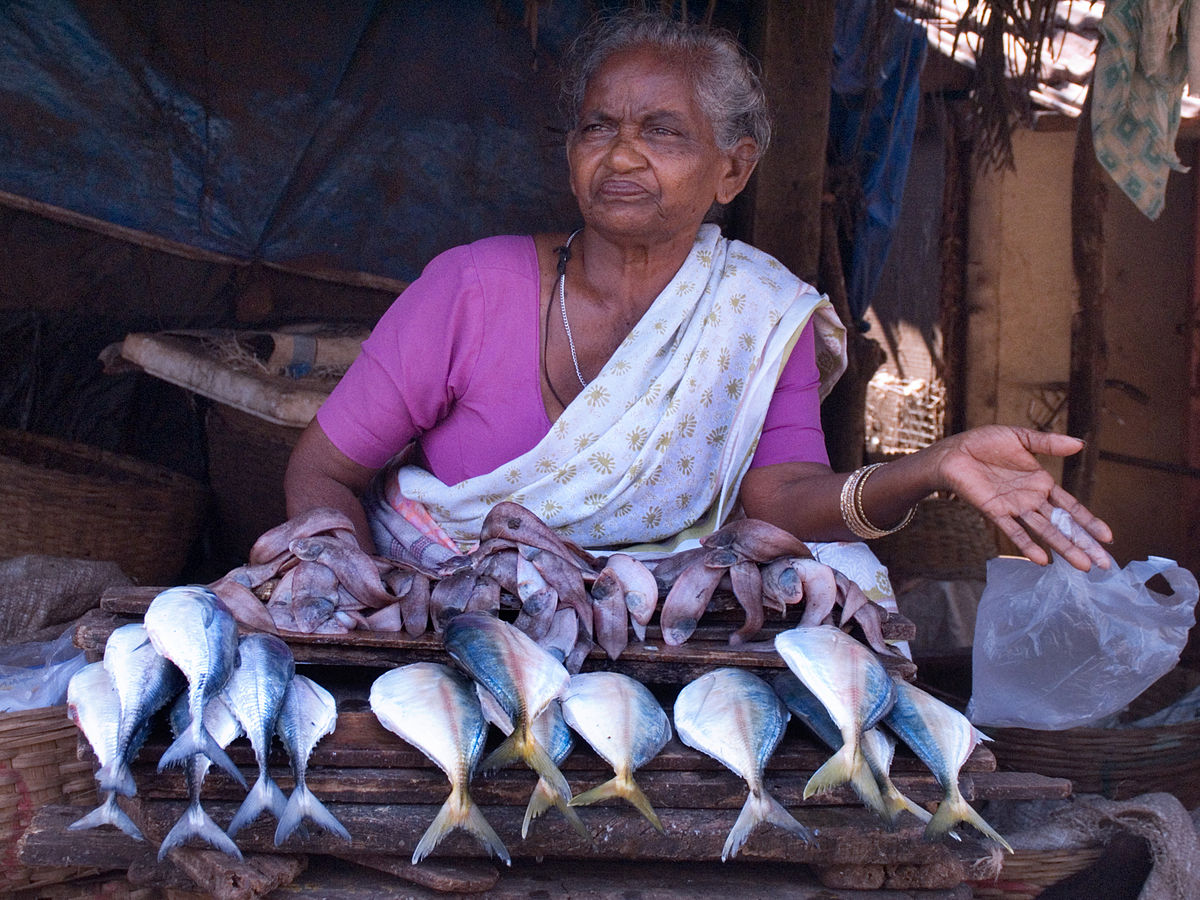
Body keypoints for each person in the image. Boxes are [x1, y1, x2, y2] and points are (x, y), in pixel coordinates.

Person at [284, 10, 1112, 587]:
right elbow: (322, 470)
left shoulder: (758, 315)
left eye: (663, 131)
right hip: (445, 608)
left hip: (650, 623)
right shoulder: (470, 288)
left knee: (844, 577)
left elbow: (782, 499)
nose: (621, 156)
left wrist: (926, 469)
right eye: (597, 127)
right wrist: (356, 591)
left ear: (733, 169)